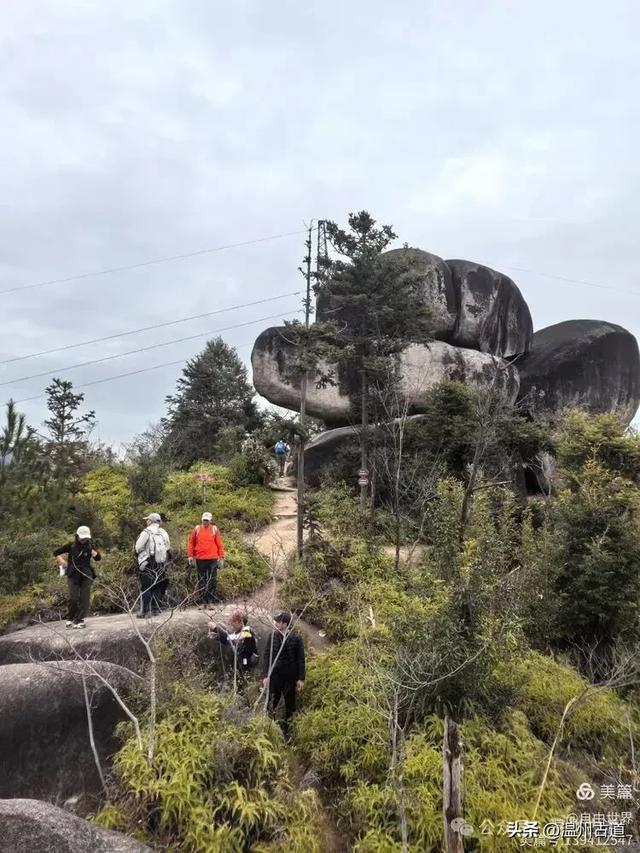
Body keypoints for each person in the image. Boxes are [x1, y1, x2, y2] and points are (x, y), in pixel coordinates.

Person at [261, 611, 305, 737]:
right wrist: (265, 675)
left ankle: (288, 731)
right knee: (271, 704)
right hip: (275, 677)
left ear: (285, 624)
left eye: (278, 621)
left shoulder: (296, 638)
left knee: (290, 706)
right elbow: (266, 656)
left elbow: (300, 660)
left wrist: (301, 679)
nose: (276, 623)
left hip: (290, 678)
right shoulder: (272, 636)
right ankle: (270, 730)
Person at [53, 526, 101, 629]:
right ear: (77, 536)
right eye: (82, 537)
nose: (84, 540)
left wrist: (96, 554)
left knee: (85, 598)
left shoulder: (90, 545)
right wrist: (61, 560)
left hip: (86, 573)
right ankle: (70, 618)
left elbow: (98, 558)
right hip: (73, 573)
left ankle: (80, 620)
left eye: (86, 538)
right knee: (73, 597)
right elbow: (55, 552)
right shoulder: (71, 546)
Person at [134, 512, 171, 618]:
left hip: (147, 563)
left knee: (146, 587)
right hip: (160, 564)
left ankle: (145, 611)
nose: (146, 521)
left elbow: (138, 548)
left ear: (151, 521)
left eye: (148, 520)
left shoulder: (146, 532)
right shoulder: (163, 532)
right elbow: (168, 547)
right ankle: (155, 609)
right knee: (157, 586)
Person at [187, 512, 225, 609]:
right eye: (204, 520)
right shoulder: (197, 529)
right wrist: (190, 556)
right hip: (200, 558)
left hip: (212, 558)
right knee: (201, 580)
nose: (205, 522)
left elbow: (219, 543)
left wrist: (221, 556)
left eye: (207, 520)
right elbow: (191, 543)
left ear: (210, 521)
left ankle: (210, 601)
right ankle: (202, 602)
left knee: (212, 580)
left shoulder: (214, 529)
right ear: (202, 520)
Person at [209, 610, 258, 677]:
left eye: (233, 621)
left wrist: (216, 628)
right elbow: (229, 640)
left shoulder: (247, 631)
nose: (231, 623)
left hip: (245, 665)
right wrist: (217, 637)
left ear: (240, 621)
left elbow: (234, 640)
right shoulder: (237, 632)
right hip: (239, 664)